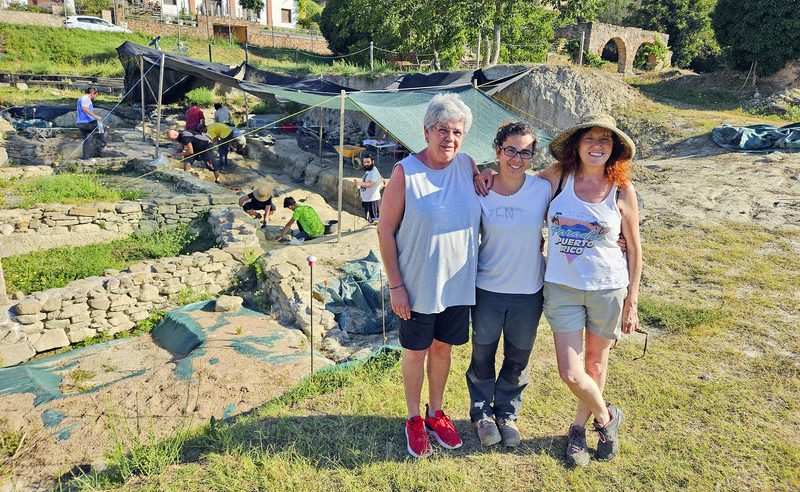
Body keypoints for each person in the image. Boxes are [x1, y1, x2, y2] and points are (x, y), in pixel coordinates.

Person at [377, 93, 481, 458]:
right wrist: (396, 286)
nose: (448, 138)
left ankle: (435, 412)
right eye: (441, 130)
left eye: (456, 131)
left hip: (456, 285)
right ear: (426, 131)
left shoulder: (468, 166)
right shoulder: (406, 172)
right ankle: (412, 418)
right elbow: (385, 230)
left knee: (442, 350)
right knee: (416, 353)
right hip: (417, 287)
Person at [539, 114, 642, 467]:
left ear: (613, 149)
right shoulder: (558, 177)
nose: (597, 145)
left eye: (605, 140)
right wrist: (488, 175)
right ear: (577, 145)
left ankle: (579, 432)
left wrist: (632, 301)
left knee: (596, 362)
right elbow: (517, 185)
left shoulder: (623, 189)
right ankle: (607, 418)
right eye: (590, 139)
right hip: (562, 287)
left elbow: (635, 247)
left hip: (608, 287)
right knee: (570, 371)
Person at [466, 121, 551, 448]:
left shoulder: (542, 189)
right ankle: (481, 413)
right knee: (483, 353)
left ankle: (507, 413)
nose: (517, 158)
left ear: (533, 156)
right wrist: (484, 171)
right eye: (510, 150)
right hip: (487, 288)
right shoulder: (480, 189)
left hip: (529, 291)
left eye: (525, 152)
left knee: (518, 357)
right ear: (498, 150)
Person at [76, 86, 106, 160]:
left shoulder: (82, 99)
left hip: (80, 123)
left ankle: (85, 157)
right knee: (105, 129)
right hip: (87, 123)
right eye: (96, 94)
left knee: (87, 139)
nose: (96, 96)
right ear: (92, 93)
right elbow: (84, 108)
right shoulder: (86, 98)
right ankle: (100, 149)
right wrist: (95, 116)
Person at [353, 152, 382, 224]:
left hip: (372, 201)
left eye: (368, 162)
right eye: (364, 162)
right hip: (367, 200)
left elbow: (369, 184)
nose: (366, 164)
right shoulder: (369, 171)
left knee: (373, 221)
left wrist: (359, 183)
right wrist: (359, 185)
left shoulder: (374, 172)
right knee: (370, 220)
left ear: (372, 161)